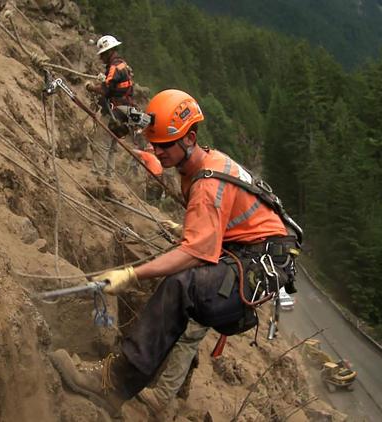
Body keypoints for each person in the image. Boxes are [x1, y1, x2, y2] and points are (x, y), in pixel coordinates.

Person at [49, 89, 300, 416]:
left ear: (190, 138)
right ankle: (160, 385)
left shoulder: (207, 184)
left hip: (258, 260)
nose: (158, 150)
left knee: (181, 285)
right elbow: (222, 219)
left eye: (164, 145)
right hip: (251, 251)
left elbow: (197, 251)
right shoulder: (200, 163)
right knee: (189, 298)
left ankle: (113, 383)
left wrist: (132, 274)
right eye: (155, 144)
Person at [85, 35, 135, 177]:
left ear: (108, 52)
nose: (101, 59)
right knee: (112, 145)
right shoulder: (123, 64)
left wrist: (91, 87)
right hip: (125, 109)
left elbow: (105, 90)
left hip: (115, 110)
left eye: (102, 55)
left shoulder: (113, 68)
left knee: (101, 143)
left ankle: (98, 177)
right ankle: (109, 177)